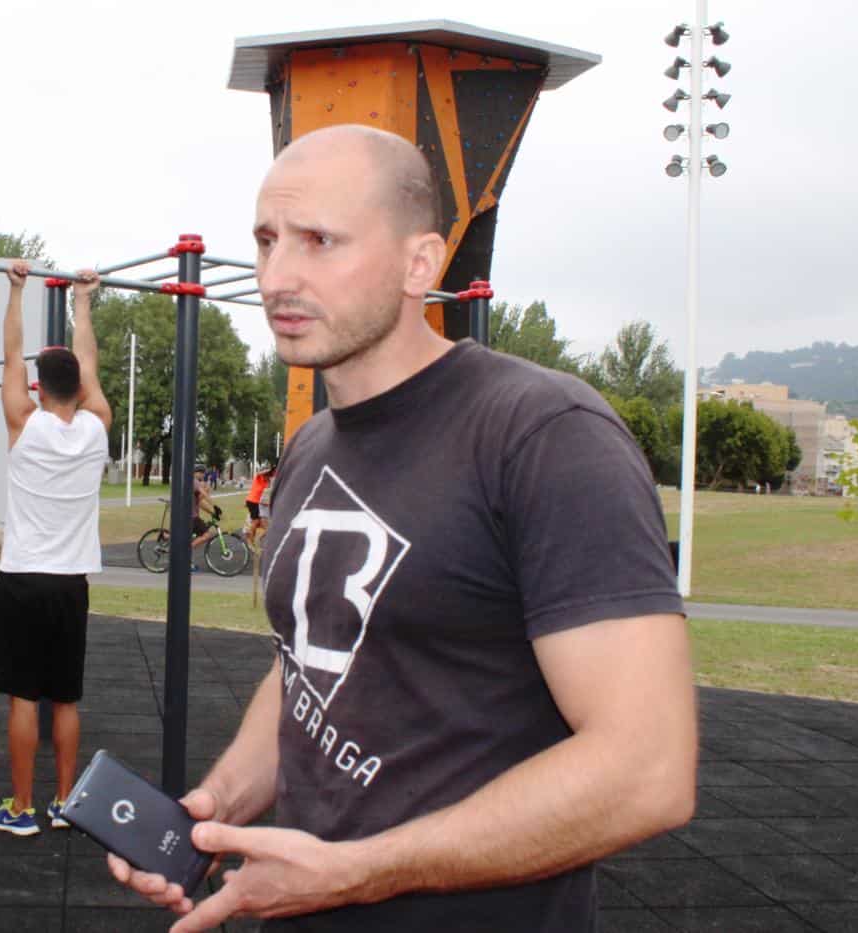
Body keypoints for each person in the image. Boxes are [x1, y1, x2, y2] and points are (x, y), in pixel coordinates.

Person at [109, 124, 697, 931]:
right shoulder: (311, 448)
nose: (277, 276)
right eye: (268, 240)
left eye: (320, 240)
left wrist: (356, 873)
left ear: (420, 264)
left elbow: (648, 769)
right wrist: (216, 809)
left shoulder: (544, 434)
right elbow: (310, 666)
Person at [0, 262, 111, 837]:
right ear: (80, 390)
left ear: (38, 389)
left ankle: (21, 809)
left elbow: (11, 354)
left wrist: (16, 290)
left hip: (22, 580)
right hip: (70, 584)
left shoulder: (23, 421)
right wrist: (83, 301)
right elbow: (89, 364)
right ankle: (63, 803)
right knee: (65, 699)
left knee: (22, 698)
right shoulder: (97, 426)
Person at [188, 466, 220, 572]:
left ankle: (187, 560)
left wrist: (212, 512)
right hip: (191, 517)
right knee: (207, 535)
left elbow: (200, 502)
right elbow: (204, 495)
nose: (203, 475)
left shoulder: (193, 482)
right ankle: (185, 554)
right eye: (202, 473)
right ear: (197, 473)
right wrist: (215, 506)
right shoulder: (194, 481)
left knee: (189, 537)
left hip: (191, 516)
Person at [243, 465, 277, 546]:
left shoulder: (266, 481)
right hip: (252, 501)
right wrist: (268, 470)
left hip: (256, 502)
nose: (267, 477)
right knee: (256, 521)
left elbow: (275, 475)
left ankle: (252, 537)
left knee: (259, 522)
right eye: (266, 475)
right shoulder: (258, 478)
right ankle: (250, 539)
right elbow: (260, 473)